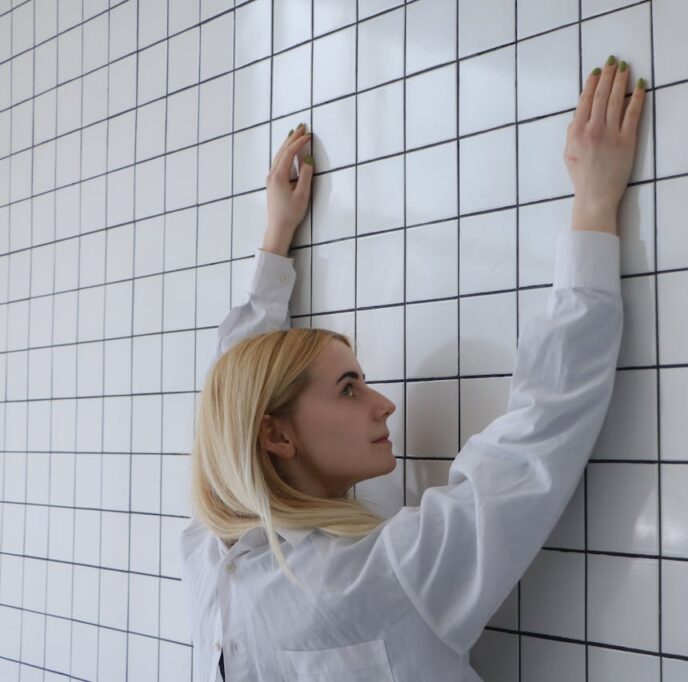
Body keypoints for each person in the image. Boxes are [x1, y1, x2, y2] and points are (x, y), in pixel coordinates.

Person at [181, 55, 646, 681]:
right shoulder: (374, 574)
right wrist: (594, 203)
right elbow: (538, 440)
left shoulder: (212, 560)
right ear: (276, 434)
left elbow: (228, 393)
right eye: (349, 389)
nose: (386, 404)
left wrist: (276, 236)